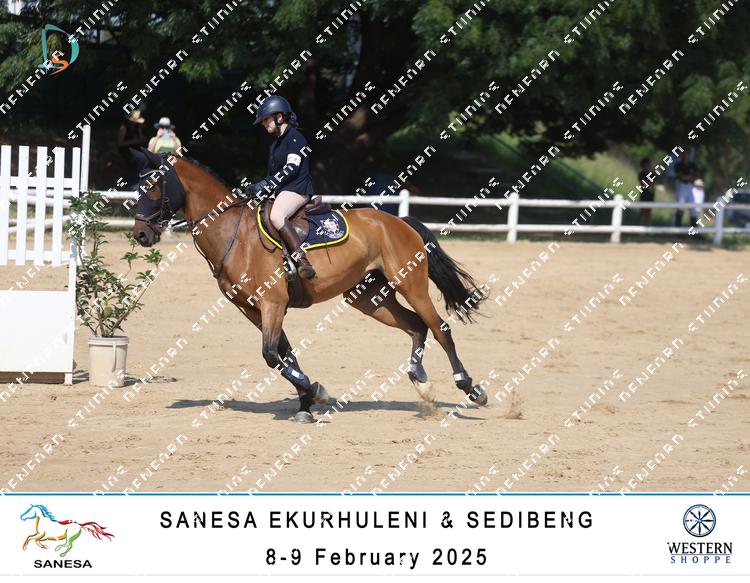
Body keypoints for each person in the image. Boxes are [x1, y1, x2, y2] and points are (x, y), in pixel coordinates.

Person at [247, 95, 316, 280]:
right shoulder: (275, 144)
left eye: (265, 119)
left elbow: (292, 168)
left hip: (297, 189)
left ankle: (303, 261)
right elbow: (273, 174)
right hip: (282, 191)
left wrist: (268, 183)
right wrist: (260, 186)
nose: (263, 123)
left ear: (280, 117)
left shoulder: (295, 138)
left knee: (277, 215)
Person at [117, 109, 147, 187]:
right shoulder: (124, 128)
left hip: (136, 149)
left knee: (145, 157)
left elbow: (140, 139)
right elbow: (120, 143)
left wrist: (140, 130)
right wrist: (135, 141)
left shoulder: (137, 127)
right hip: (126, 150)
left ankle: (140, 181)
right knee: (140, 159)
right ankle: (135, 183)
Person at [674, 150, 698, 227]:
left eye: (687, 154)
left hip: (690, 186)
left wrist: (688, 177)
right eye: (684, 154)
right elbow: (682, 177)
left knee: (693, 208)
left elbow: (696, 176)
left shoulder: (692, 164)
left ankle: (694, 230)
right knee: (681, 207)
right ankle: (678, 230)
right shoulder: (679, 165)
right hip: (682, 186)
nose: (685, 156)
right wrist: (689, 177)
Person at [637, 157, 655, 226]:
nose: (648, 167)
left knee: (648, 212)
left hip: (651, 195)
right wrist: (649, 183)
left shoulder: (653, 174)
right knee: (642, 211)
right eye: (646, 165)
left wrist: (649, 183)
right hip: (643, 195)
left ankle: (648, 227)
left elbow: (654, 183)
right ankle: (641, 226)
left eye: (649, 165)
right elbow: (644, 183)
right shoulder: (641, 174)